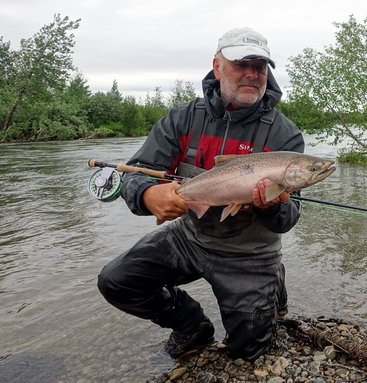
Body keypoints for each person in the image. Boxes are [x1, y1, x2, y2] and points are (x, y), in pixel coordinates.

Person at [97, 27, 304, 361]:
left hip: (250, 254)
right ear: (217, 66)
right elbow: (134, 172)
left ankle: (271, 282)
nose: (252, 74)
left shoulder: (284, 134)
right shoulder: (182, 119)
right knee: (117, 281)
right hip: (190, 237)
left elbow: (288, 219)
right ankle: (191, 325)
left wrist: (270, 207)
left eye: (260, 67)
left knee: (249, 353)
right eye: (242, 64)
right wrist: (148, 195)